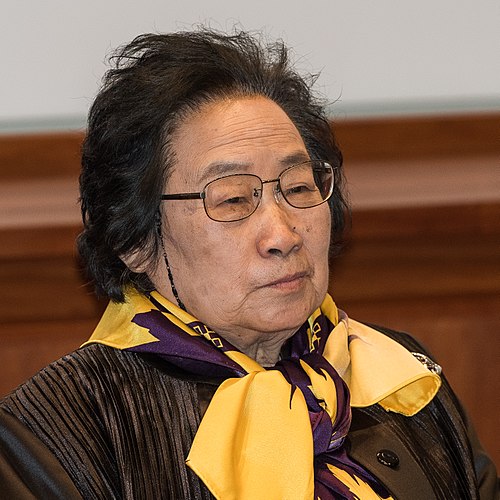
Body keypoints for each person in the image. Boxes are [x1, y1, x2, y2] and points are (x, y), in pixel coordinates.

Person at [0, 29, 497, 500]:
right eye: (234, 199)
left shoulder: (397, 373)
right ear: (134, 240)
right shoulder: (58, 433)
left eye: (298, 187)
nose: (283, 235)